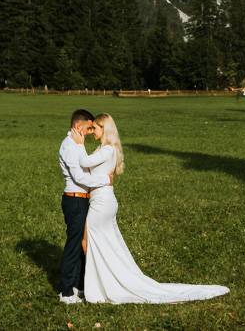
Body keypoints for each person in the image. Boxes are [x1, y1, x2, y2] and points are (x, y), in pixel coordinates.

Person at [79, 113, 229, 304]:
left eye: (95, 128)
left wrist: (79, 142)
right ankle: (102, 282)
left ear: (104, 128)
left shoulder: (107, 150)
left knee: (88, 241)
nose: (92, 131)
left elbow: (83, 163)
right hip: (101, 200)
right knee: (104, 244)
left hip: (102, 202)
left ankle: (101, 284)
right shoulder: (103, 149)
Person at [57, 108, 107, 304]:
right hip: (75, 200)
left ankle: (78, 286)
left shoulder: (77, 144)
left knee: (81, 244)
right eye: (88, 127)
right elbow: (79, 176)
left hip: (81, 199)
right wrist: (105, 180)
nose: (90, 131)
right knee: (74, 244)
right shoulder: (70, 146)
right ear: (78, 125)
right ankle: (66, 292)